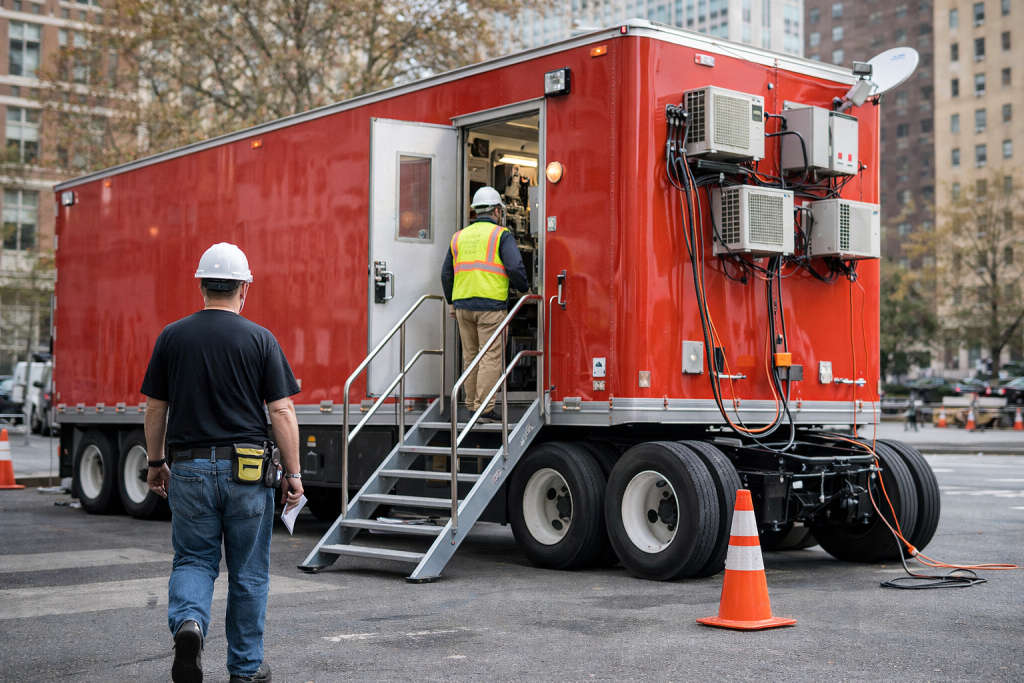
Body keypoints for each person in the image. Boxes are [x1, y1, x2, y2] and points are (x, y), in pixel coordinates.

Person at [143, 243, 302, 683]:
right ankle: (246, 669)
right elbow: (282, 412)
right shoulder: (260, 338)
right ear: (244, 288)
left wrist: (156, 462)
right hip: (247, 473)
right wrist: (293, 474)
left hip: (189, 469)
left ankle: (190, 624)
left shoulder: (172, 336)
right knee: (249, 573)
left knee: (194, 560)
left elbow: (156, 408)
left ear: (201, 285)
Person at [441, 186, 529, 422]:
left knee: (471, 356)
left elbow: (446, 274)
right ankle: (485, 409)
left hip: (463, 306)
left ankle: (471, 405)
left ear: (476, 211)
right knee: (490, 356)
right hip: (490, 307)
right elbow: (514, 268)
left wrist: (452, 302)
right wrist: (525, 289)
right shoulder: (501, 235)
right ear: (498, 211)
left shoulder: (458, 237)